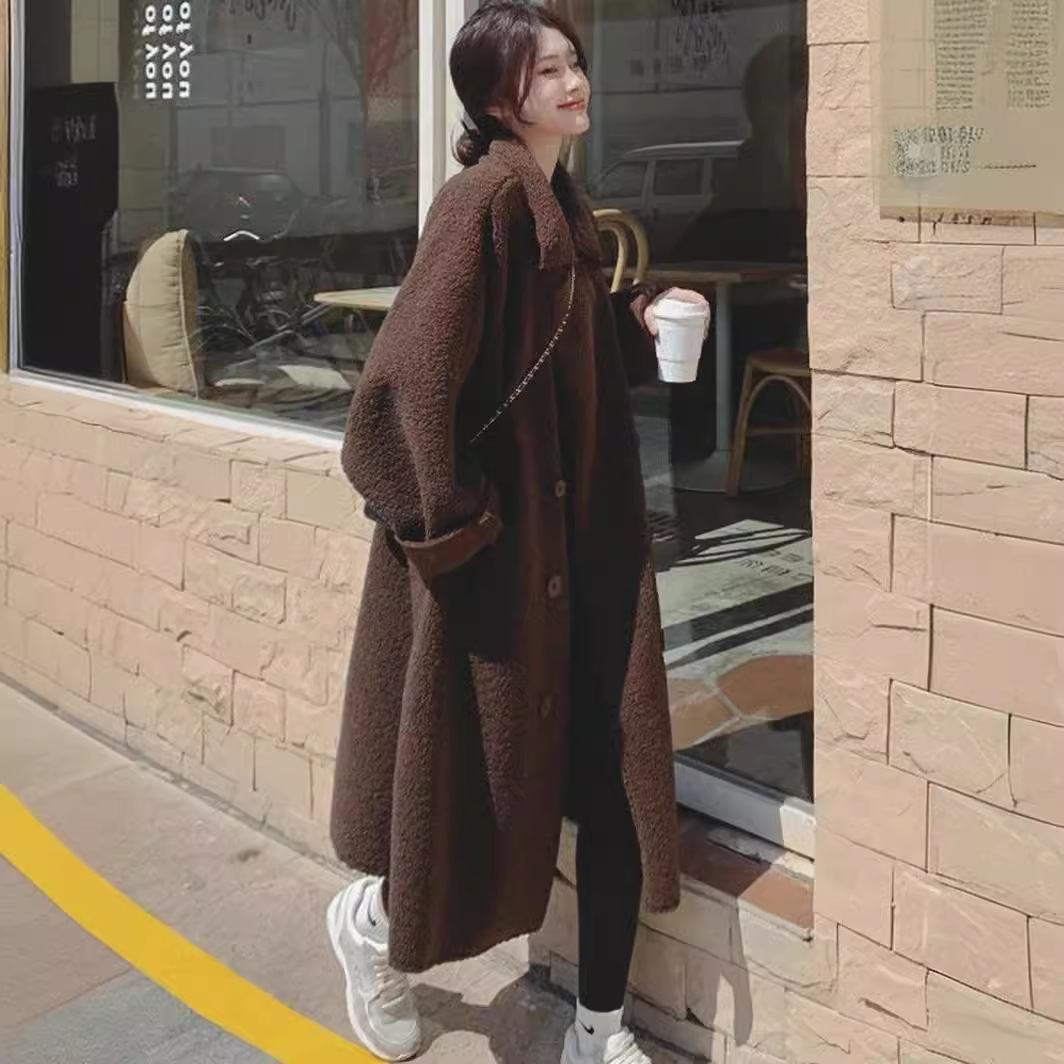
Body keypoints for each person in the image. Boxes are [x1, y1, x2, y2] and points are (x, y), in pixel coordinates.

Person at [326, 3, 707, 1061]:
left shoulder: (558, 202)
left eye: (572, 61)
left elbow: (551, 364)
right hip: (501, 571)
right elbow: (394, 396)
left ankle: (598, 1032)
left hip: (583, 557)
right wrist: (458, 528)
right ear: (499, 99)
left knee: (617, 786)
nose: (573, 81)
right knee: (471, 796)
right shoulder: (484, 200)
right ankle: (371, 927)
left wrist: (636, 322)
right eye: (545, 72)